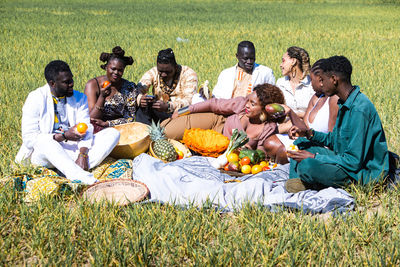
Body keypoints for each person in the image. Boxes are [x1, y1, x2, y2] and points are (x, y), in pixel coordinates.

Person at [285, 56, 389, 193]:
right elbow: (335, 141)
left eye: (323, 80)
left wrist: (315, 157)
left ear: (334, 80)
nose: (321, 84)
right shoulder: (344, 103)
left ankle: (312, 181)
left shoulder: (359, 109)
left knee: (307, 165)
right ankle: (298, 182)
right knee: (301, 144)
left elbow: (353, 161)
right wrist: (309, 134)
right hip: (343, 160)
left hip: (361, 173)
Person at [15, 60, 120, 185]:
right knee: (45, 140)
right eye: (66, 82)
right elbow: (29, 138)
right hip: (44, 153)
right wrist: (63, 136)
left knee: (113, 133)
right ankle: (80, 176)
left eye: (72, 80)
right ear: (52, 83)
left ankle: (71, 167)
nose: (72, 84)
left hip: (73, 150)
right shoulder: (35, 98)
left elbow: (86, 128)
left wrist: (83, 154)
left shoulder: (80, 98)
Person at [161, 83, 288, 163]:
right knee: (165, 132)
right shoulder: (242, 104)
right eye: (248, 101)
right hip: (215, 123)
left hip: (222, 150)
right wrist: (184, 110)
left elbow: (259, 156)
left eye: (253, 104)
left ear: (265, 109)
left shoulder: (268, 128)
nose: (247, 105)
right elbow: (213, 104)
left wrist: (246, 150)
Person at [277, 59, 339, 147]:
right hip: (308, 143)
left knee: (277, 147)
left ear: (321, 81)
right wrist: (297, 128)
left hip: (321, 148)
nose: (310, 83)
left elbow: (331, 139)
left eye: (312, 80)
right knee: (272, 141)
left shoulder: (333, 100)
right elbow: (305, 127)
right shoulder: (316, 98)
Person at [136, 48, 198, 125]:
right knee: (142, 107)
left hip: (179, 115)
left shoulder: (188, 74)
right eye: (160, 71)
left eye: (167, 72)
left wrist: (168, 106)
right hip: (159, 112)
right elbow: (139, 88)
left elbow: (190, 101)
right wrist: (141, 98)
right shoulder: (153, 72)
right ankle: (143, 132)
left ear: (175, 67)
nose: (163, 75)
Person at [84, 46, 137, 132]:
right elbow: (92, 118)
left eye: (120, 70)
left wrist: (108, 124)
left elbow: (130, 118)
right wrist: (102, 96)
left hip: (120, 128)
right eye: (113, 69)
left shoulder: (130, 87)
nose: (116, 73)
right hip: (95, 128)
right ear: (106, 67)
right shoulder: (93, 85)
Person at [276, 46, 315, 133]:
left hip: (307, 129)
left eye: (283, 61)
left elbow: (316, 115)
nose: (281, 65)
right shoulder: (280, 83)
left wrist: (292, 115)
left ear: (293, 61)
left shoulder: (311, 85)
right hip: (284, 130)